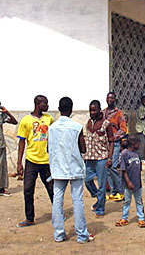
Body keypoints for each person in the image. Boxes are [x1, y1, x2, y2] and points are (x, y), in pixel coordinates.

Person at [49, 97, 94, 243]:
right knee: (78, 200)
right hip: (74, 166)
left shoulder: (52, 127)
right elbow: (83, 148)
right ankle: (82, 235)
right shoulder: (76, 127)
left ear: (59, 108)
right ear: (71, 108)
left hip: (58, 167)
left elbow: (48, 148)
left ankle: (59, 233)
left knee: (57, 199)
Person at [16, 95, 54, 227]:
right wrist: (19, 162)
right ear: (38, 104)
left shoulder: (49, 119)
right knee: (28, 189)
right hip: (31, 161)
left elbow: (54, 138)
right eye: (45, 103)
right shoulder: (26, 120)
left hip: (46, 161)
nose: (48, 106)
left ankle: (58, 213)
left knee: (51, 188)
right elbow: (22, 142)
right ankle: (29, 218)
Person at [84, 100, 114, 218]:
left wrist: (110, 158)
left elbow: (111, 141)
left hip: (102, 157)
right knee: (87, 180)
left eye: (94, 110)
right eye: (90, 110)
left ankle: (100, 208)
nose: (92, 112)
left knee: (102, 185)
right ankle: (99, 198)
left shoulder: (106, 124)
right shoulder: (88, 123)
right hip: (89, 157)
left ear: (99, 110)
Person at [115, 138, 145, 228]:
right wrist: (128, 182)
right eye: (138, 144)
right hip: (128, 184)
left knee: (139, 201)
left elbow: (139, 168)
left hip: (137, 183)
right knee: (127, 201)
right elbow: (123, 170)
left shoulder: (137, 154)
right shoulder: (125, 154)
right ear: (133, 144)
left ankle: (141, 219)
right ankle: (124, 218)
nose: (139, 146)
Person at [103, 91, 127, 202]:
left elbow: (123, 129)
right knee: (107, 167)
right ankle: (113, 191)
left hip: (115, 143)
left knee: (113, 166)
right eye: (108, 98)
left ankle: (121, 191)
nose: (110, 100)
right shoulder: (103, 113)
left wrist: (114, 137)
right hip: (105, 143)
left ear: (115, 99)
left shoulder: (119, 113)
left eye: (112, 98)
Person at [0, 102, 18, 196]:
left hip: (1, 145)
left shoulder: (1, 116)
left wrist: (7, 112)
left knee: (2, 167)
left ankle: (1, 189)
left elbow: (14, 122)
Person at [135, 96, 145, 161]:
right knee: (141, 144)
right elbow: (142, 117)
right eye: (144, 100)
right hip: (140, 129)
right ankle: (140, 158)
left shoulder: (144, 107)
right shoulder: (141, 108)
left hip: (144, 129)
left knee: (143, 144)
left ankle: (142, 157)